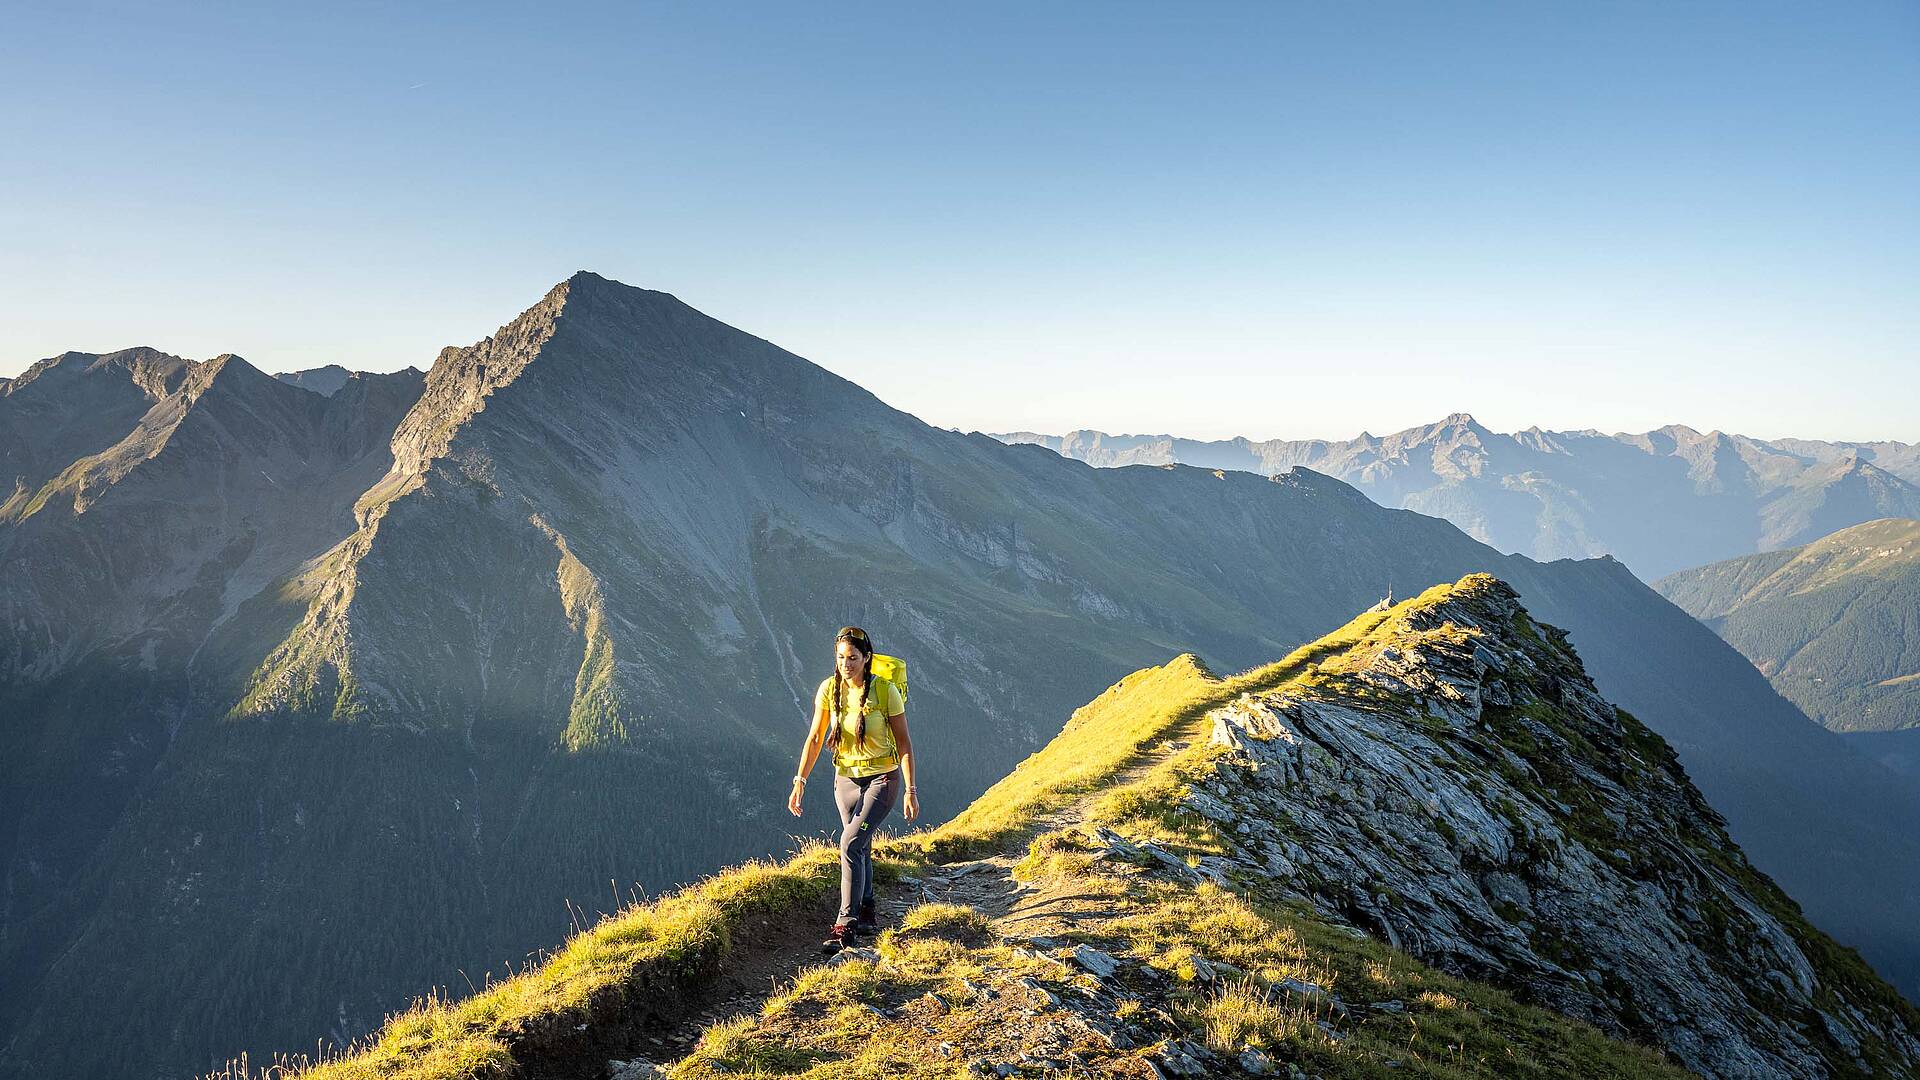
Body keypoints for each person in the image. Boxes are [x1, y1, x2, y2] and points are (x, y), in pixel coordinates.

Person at [787, 625, 918, 952]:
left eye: (853, 658)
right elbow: (816, 738)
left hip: (882, 778)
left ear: (866, 658)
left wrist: (910, 789)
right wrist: (799, 781)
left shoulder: (886, 692)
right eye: (841, 657)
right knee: (859, 845)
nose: (846, 664)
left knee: (849, 842)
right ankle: (868, 908)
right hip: (844, 778)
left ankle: (846, 924)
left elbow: (903, 743)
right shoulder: (828, 690)